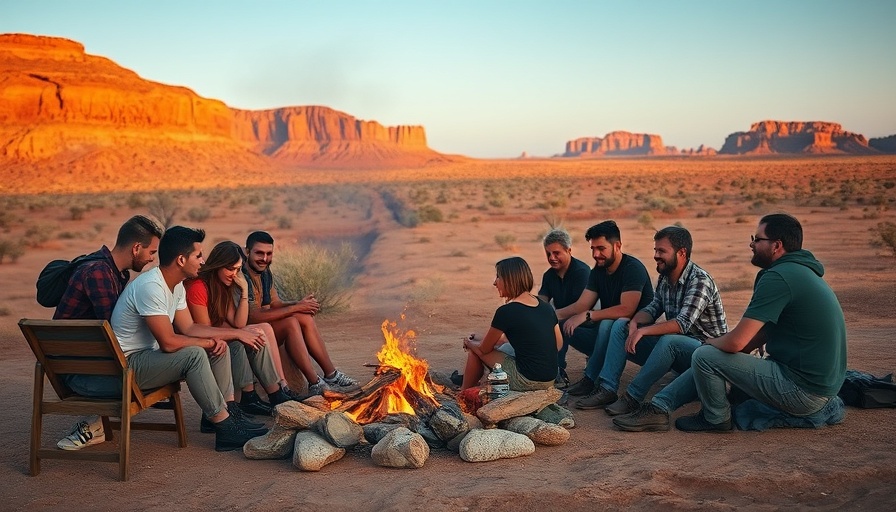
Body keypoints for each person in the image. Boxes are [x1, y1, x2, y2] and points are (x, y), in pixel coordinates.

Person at [675, 213, 847, 432]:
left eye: (757, 239)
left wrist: (710, 342)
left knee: (704, 356)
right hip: (823, 389)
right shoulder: (800, 272)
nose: (752, 244)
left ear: (776, 245)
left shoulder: (778, 277)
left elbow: (736, 343)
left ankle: (715, 419)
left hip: (804, 393)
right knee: (728, 371)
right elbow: (757, 337)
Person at [110, 226, 270, 451]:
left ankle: (227, 412)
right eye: (198, 256)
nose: (203, 261)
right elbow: (168, 342)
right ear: (181, 260)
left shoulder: (175, 286)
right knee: (195, 353)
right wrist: (208, 342)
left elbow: (190, 327)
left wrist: (235, 334)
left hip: (147, 359)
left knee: (218, 346)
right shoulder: (151, 286)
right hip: (129, 365)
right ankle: (224, 427)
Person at [588, 227, 728, 432]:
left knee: (669, 340)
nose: (655, 256)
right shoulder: (665, 277)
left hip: (706, 353)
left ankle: (633, 398)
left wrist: (644, 331)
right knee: (621, 325)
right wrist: (634, 323)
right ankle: (607, 388)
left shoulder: (699, 281)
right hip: (681, 355)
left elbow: (682, 324)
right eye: (655, 250)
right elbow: (653, 308)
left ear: (681, 253)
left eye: (661, 251)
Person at [53, 215, 163, 451]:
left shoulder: (115, 272)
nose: (152, 258)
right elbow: (117, 331)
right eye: (151, 252)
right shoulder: (98, 273)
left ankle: (95, 426)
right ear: (136, 248)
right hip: (79, 374)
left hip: (88, 364)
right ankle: (92, 426)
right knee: (160, 368)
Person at [185, 241, 302, 415]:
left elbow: (238, 322)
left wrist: (245, 290)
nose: (234, 274)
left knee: (253, 335)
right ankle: (248, 398)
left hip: (215, 336)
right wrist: (238, 333)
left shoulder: (223, 285)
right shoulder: (198, 287)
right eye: (230, 269)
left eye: (238, 269)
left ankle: (275, 395)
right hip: (198, 341)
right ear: (218, 264)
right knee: (241, 340)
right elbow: (205, 328)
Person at [243, 231, 357, 395]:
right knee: (291, 322)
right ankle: (315, 382)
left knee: (303, 317)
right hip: (251, 331)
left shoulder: (265, 272)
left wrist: (300, 304)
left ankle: (332, 375)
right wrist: (296, 308)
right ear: (248, 252)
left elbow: (275, 304)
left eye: (269, 253)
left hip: (266, 326)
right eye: (259, 253)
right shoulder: (243, 276)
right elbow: (252, 316)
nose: (265, 258)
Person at [556, 220, 654, 397]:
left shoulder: (633, 268)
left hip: (637, 339)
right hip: (607, 335)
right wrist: (549, 315)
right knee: (563, 324)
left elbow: (627, 309)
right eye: (592, 249)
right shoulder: (599, 270)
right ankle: (556, 374)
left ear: (617, 246)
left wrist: (588, 315)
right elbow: (581, 305)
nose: (595, 254)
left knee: (608, 322)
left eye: (601, 248)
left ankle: (597, 383)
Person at [460, 257, 561, 392]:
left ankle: (463, 393)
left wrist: (469, 343)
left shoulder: (506, 311)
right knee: (496, 346)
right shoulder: (545, 307)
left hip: (527, 381)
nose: (495, 283)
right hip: (550, 379)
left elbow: (484, 350)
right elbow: (558, 344)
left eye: (498, 277)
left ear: (509, 279)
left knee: (475, 351)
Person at [535, 228, 591, 386]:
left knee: (555, 324)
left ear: (569, 250)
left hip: (591, 326)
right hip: (566, 324)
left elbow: (581, 307)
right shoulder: (549, 275)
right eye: (548, 254)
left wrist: (549, 316)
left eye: (556, 253)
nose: (552, 258)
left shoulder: (582, 272)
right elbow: (542, 301)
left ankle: (557, 370)